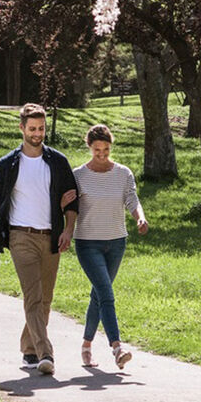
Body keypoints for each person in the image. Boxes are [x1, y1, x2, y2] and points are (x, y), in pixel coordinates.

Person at [0, 103, 80, 375]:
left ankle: (29, 349)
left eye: (41, 128)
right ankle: (47, 354)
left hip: (51, 236)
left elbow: (72, 202)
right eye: (32, 128)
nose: (37, 133)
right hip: (20, 236)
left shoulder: (57, 161)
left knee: (45, 299)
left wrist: (68, 230)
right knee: (33, 297)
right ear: (21, 128)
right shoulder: (8, 164)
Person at [69, 124, 148, 370]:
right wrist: (65, 231)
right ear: (89, 147)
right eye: (97, 150)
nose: (102, 154)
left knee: (98, 295)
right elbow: (69, 207)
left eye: (105, 149)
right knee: (105, 292)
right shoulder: (78, 175)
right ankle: (117, 347)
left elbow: (131, 199)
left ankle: (86, 346)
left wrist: (139, 217)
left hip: (116, 242)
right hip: (87, 242)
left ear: (110, 147)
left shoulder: (123, 173)